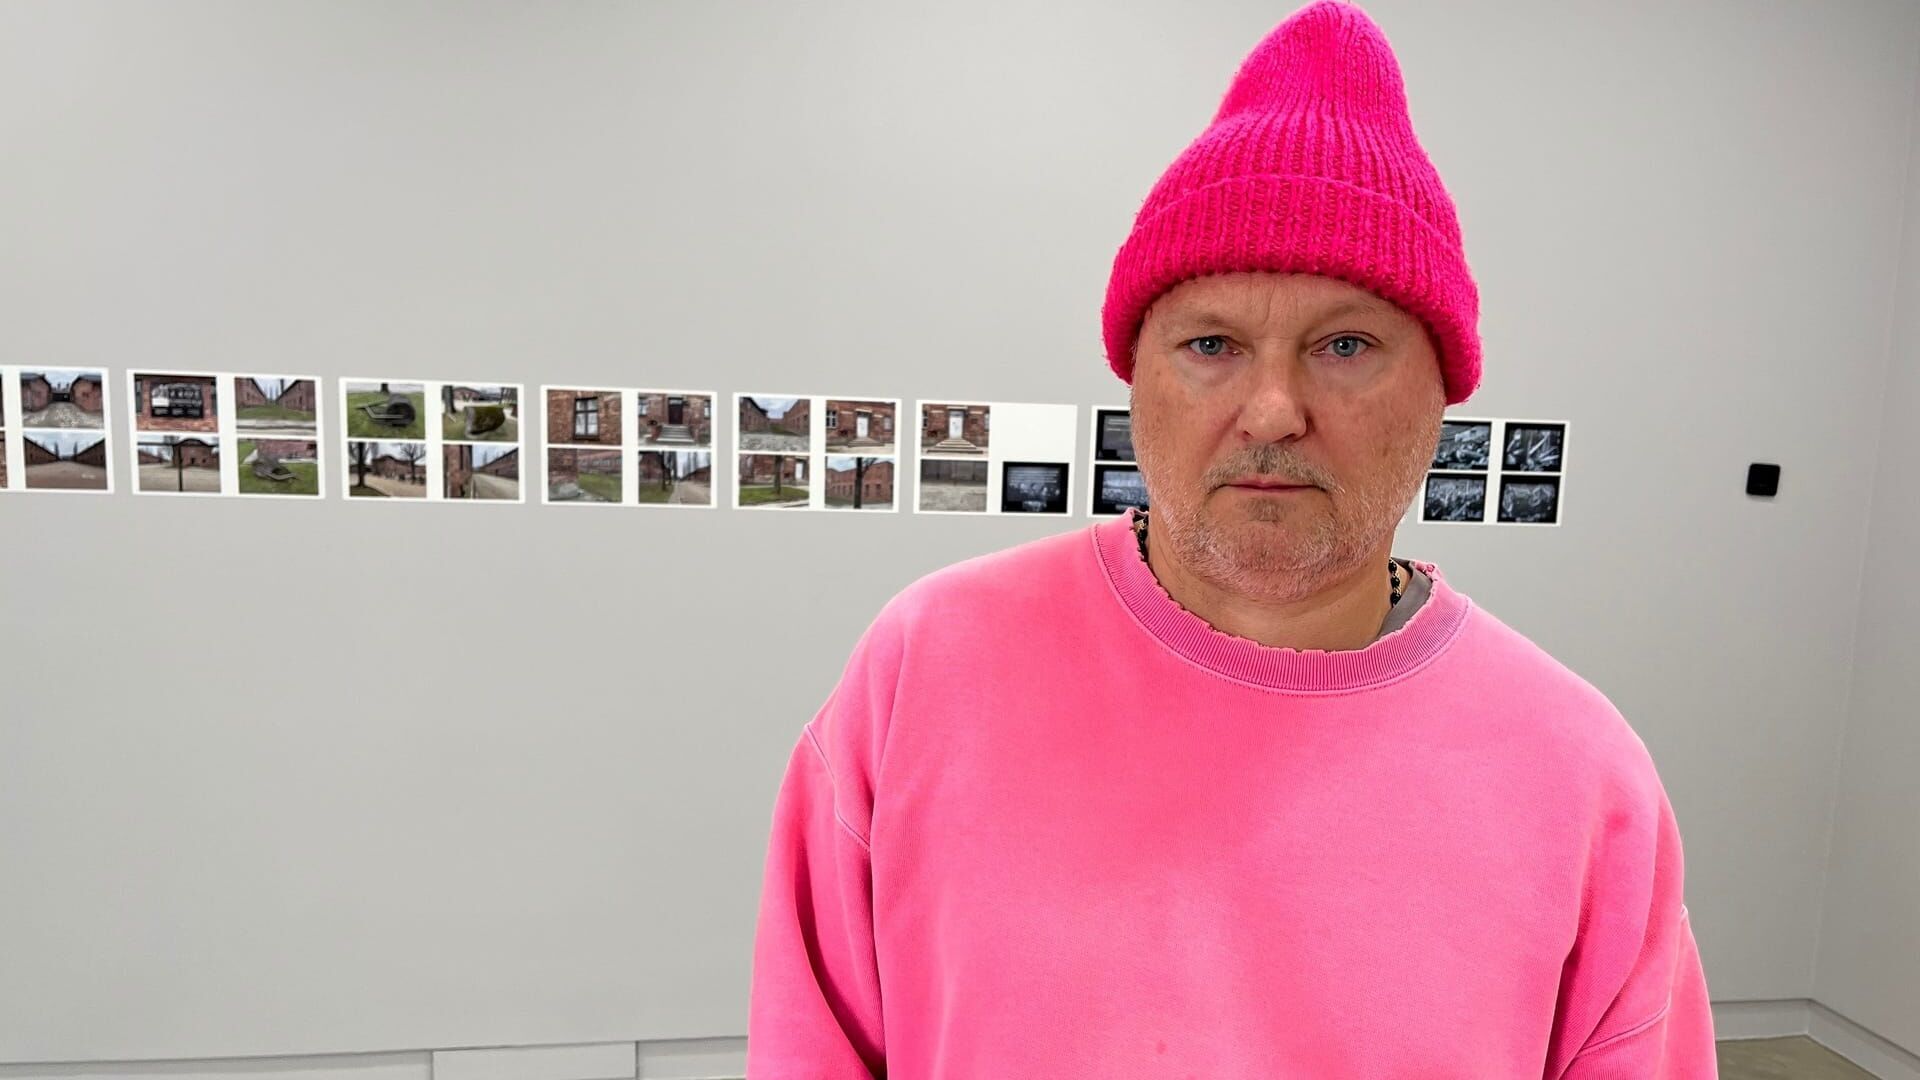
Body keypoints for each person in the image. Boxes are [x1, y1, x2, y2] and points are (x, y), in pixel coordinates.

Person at [746, 1, 1717, 1075]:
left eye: (1346, 346)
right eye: (1212, 344)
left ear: (1442, 390)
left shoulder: (1579, 775)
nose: (1271, 411)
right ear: (1136, 377)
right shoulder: (930, 665)